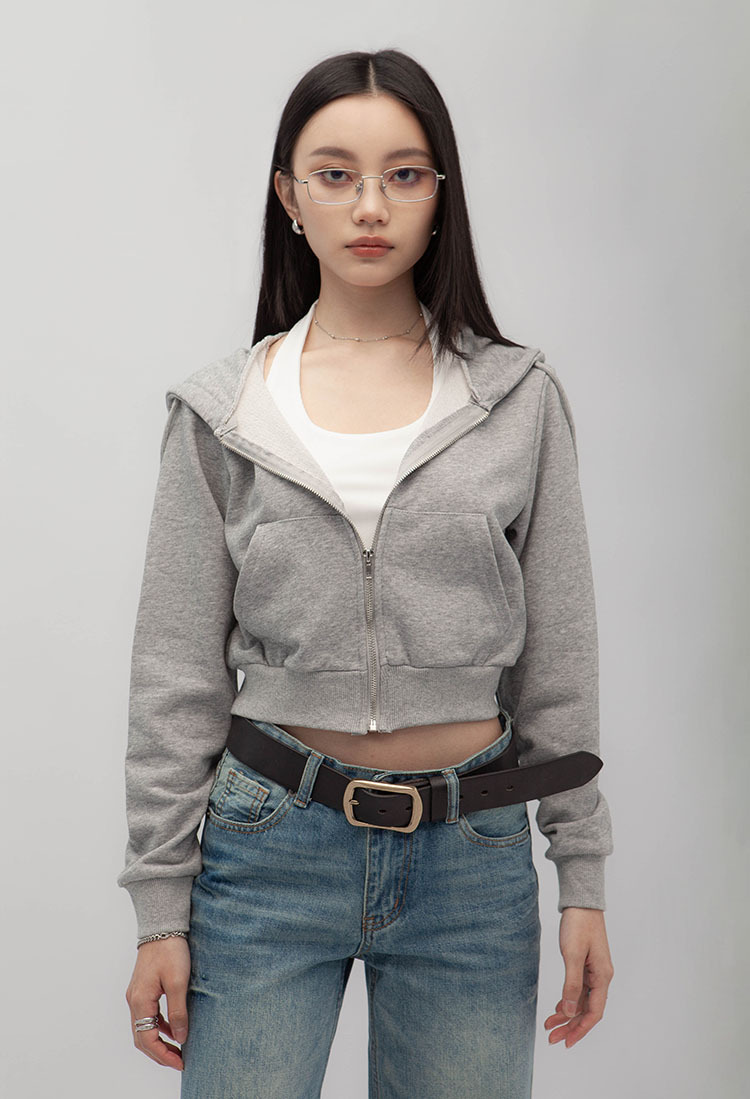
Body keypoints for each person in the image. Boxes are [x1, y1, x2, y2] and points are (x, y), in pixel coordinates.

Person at [119, 47, 614, 1098]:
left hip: (472, 857)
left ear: (441, 195)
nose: (371, 204)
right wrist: (160, 907)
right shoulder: (221, 413)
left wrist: (582, 874)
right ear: (288, 196)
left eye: (405, 173)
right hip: (268, 849)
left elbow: (561, 661)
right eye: (335, 174)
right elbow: (175, 676)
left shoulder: (518, 400)